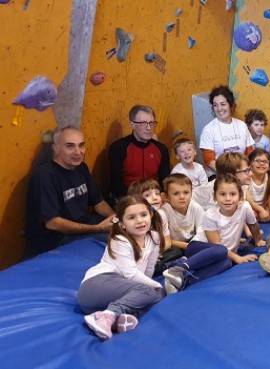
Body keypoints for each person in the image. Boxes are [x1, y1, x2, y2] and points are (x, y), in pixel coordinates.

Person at [78, 195, 164, 340]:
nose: (139, 221)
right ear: (122, 223)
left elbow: (148, 270)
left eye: (143, 215)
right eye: (131, 218)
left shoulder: (154, 238)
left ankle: (117, 318)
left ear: (150, 214)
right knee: (152, 291)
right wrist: (157, 286)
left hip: (113, 298)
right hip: (94, 287)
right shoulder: (119, 240)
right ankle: (107, 316)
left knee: (155, 296)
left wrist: (154, 291)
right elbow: (130, 274)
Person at [25, 126, 114, 258]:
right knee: (114, 245)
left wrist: (118, 218)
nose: (78, 152)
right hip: (56, 239)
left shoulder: (81, 167)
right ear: (56, 148)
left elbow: (98, 202)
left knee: (127, 234)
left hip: (84, 229)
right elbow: (53, 223)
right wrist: (97, 228)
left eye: (81, 145)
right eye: (70, 146)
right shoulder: (44, 175)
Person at [158, 174, 231, 294]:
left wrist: (190, 246)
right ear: (166, 196)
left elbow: (202, 233)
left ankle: (185, 280)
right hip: (177, 250)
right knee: (222, 250)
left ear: (191, 193)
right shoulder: (163, 212)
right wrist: (185, 246)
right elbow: (166, 241)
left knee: (226, 263)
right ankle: (179, 268)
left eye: (186, 192)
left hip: (192, 246)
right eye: (176, 194)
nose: (182, 197)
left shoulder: (195, 207)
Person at [199, 174, 265, 265]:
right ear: (214, 196)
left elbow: (253, 225)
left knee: (227, 263)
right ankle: (183, 266)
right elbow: (216, 247)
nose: (228, 199)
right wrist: (238, 258)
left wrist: (258, 240)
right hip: (204, 249)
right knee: (225, 263)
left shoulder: (244, 207)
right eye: (222, 194)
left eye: (233, 194)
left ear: (240, 196)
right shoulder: (210, 215)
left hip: (228, 253)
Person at [109, 105, 170, 200]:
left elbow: (165, 180)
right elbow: (115, 184)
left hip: (154, 198)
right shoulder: (118, 148)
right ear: (132, 124)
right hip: (127, 198)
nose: (149, 128)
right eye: (143, 123)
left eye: (152, 123)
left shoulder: (161, 149)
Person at [199, 85, 255, 176]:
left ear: (231, 105)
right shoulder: (208, 130)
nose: (219, 109)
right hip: (218, 176)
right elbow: (209, 160)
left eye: (223, 104)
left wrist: (243, 172)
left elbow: (250, 153)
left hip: (242, 174)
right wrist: (231, 174)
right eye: (215, 105)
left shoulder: (242, 125)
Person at [247, 149, 270, 222]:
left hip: (267, 207)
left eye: (265, 162)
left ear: (269, 167)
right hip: (254, 207)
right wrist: (260, 210)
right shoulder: (247, 178)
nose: (261, 164)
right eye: (257, 161)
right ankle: (256, 221)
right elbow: (248, 199)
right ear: (250, 164)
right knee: (246, 208)